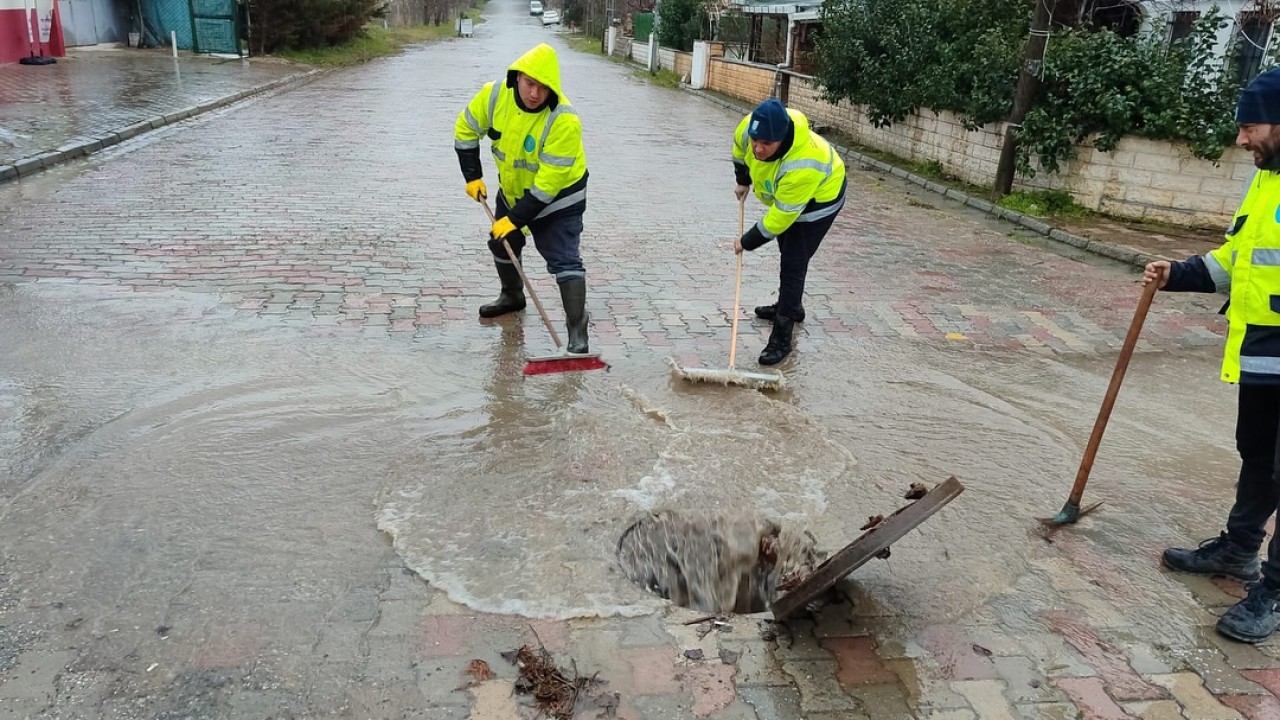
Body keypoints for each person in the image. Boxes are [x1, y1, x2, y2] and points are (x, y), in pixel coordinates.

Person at [1148, 67, 1280, 643]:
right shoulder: (1268, 180)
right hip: (1265, 351)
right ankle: (1239, 550)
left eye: (1249, 125)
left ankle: (1274, 594)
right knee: (1258, 454)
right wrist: (1179, 274)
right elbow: (1240, 255)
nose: (1241, 139)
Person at [454, 43, 591, 354]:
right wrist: (472, 176)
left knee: (563, 258)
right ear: (516, 77)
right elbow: (465, 128)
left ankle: (577, 331)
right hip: (514, 190)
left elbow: (547, 186)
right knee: (502, 241)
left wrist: (514, 220)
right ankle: (512, 296)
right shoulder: (493, 96)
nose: (534, 94)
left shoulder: (564, 120)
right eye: (530, 84)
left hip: (559, 198)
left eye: (543, 88)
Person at [732, 98, 847, 365]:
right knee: (787, 249)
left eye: (766, 144)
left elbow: (778, 220)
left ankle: (781, 339)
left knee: (793, 261)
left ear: (781, 139)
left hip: (820, 200)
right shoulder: (749, 128)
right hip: (789, 201)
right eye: (755, 141)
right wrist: (742, 180)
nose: (758, 149)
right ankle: (790, 305)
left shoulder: (803, 165)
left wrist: (745, 242)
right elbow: (739, 151)